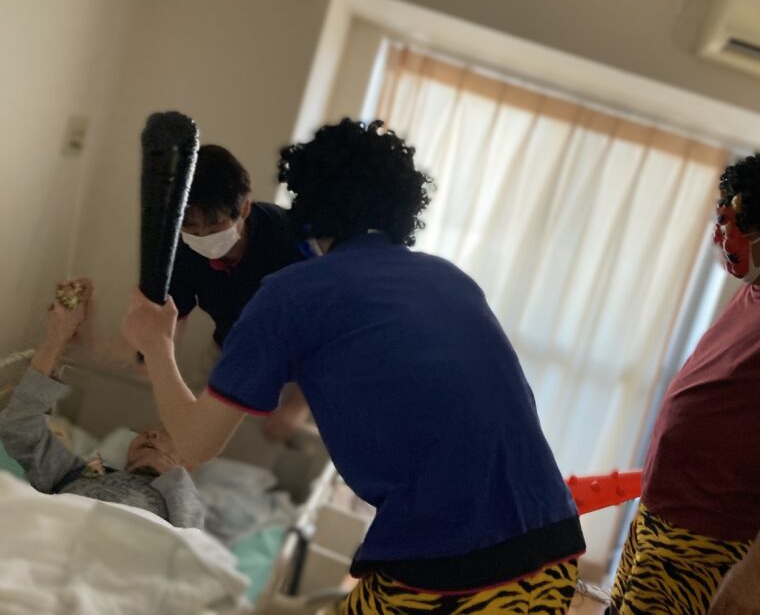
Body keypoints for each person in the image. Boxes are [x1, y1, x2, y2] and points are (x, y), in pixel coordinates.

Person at [122, 119, 585, 613]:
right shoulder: (450, 278)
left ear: (307, 204)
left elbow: (196, 444)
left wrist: (157, 346)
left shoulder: (290, 293)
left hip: (450, 566)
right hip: (553, 547)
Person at [609, 154, 760, 615]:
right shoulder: (758, 293)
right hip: (661, 521)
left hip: (709, 544)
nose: (724, 235)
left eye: (740, 223)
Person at [0, 279, 204, 529]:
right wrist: (58, 335)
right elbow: (19, 425)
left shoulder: (178, 508)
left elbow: (188, 543)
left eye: (167, 433)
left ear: (190, 464)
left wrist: (174, 478)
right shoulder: (82, 473)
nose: (150, 433)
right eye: (146, 432)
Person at [168, 144, 309, 441]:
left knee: (260, 444)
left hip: (293, 368)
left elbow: (324, 334)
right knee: (190, 435)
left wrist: (297, 407)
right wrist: (154, 368)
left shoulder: (290, 245)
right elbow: (171, 317)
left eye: (216, 225)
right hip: (227, 350)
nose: (203, 237)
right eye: (192, 228)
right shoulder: (181, 245)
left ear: (244, 207)